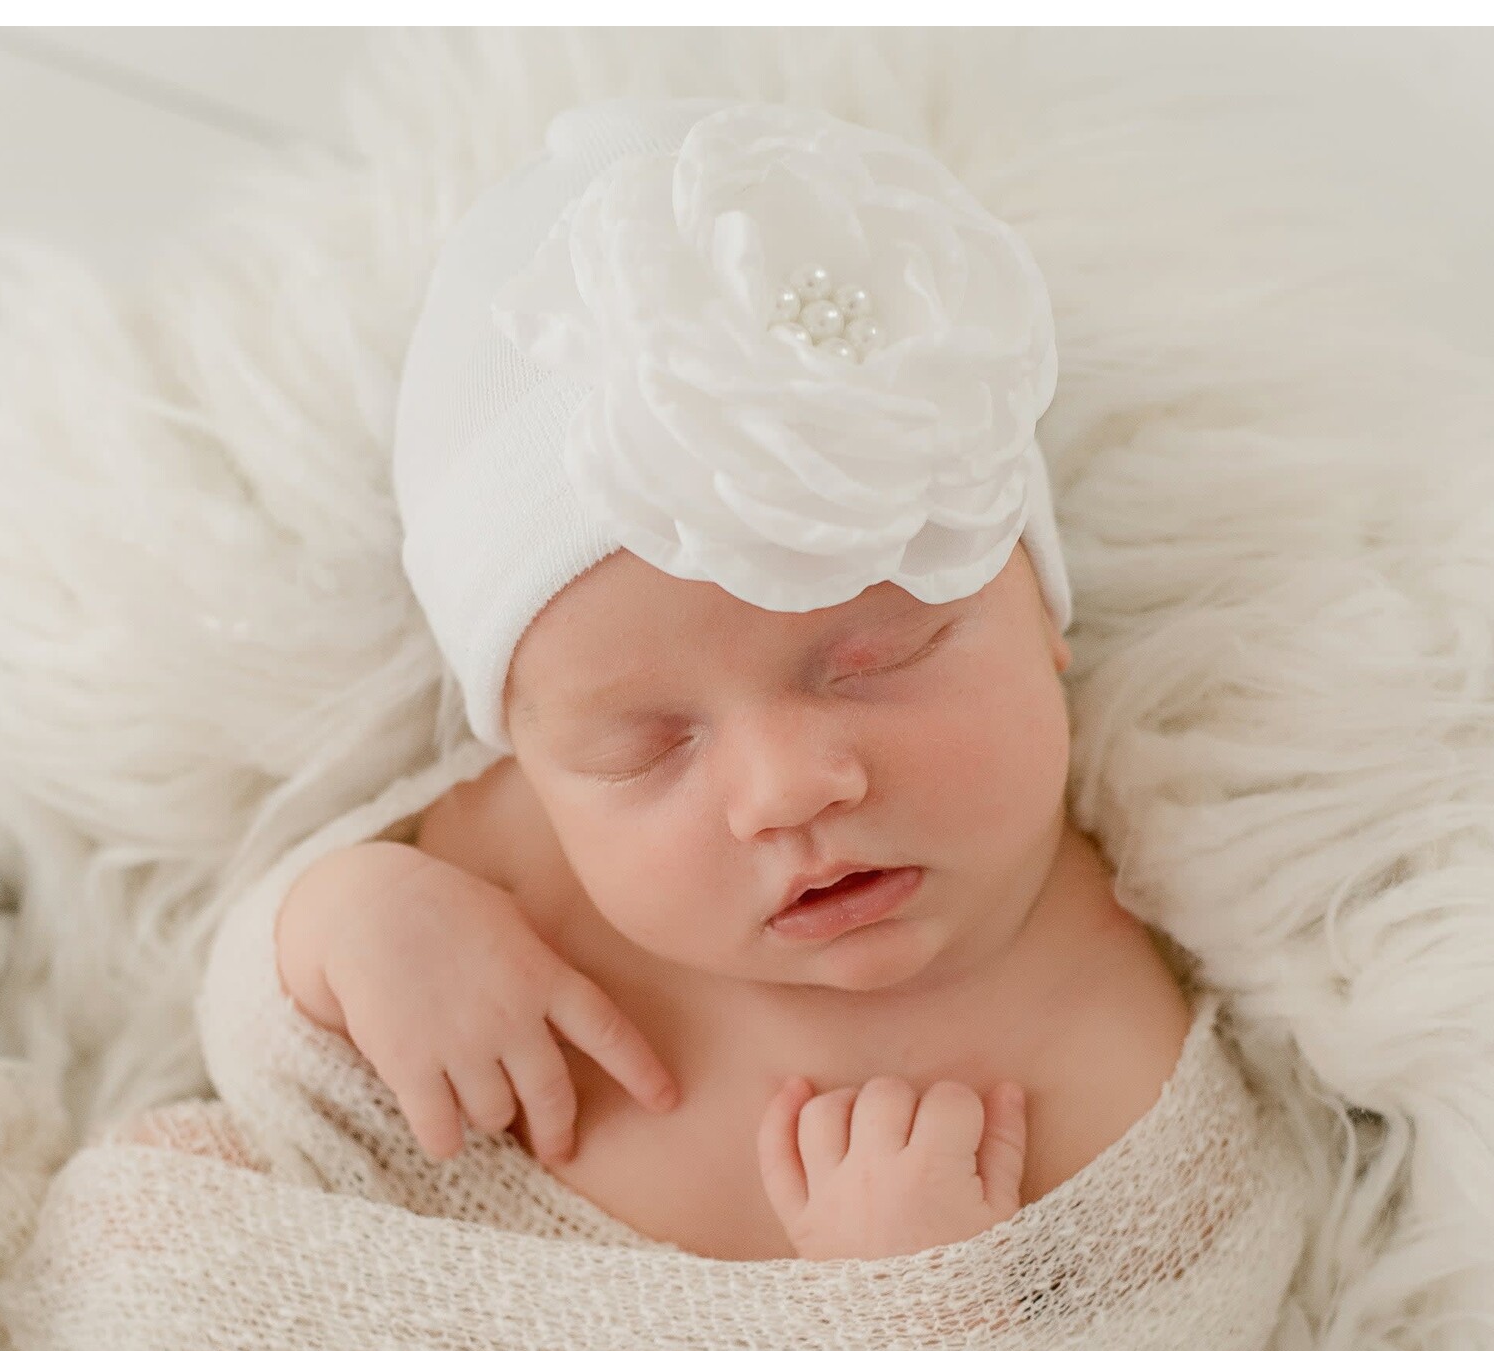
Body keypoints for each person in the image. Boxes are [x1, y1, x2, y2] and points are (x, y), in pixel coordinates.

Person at [274, 95, 1197, 1264]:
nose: (786, 789)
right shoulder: (508, 869)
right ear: (537, 762)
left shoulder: (1106, 1057)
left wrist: (926, 1323)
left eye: (879, 659)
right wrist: (348, 920)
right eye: (646, 746)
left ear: (1040, 616)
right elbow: (255, 1064)